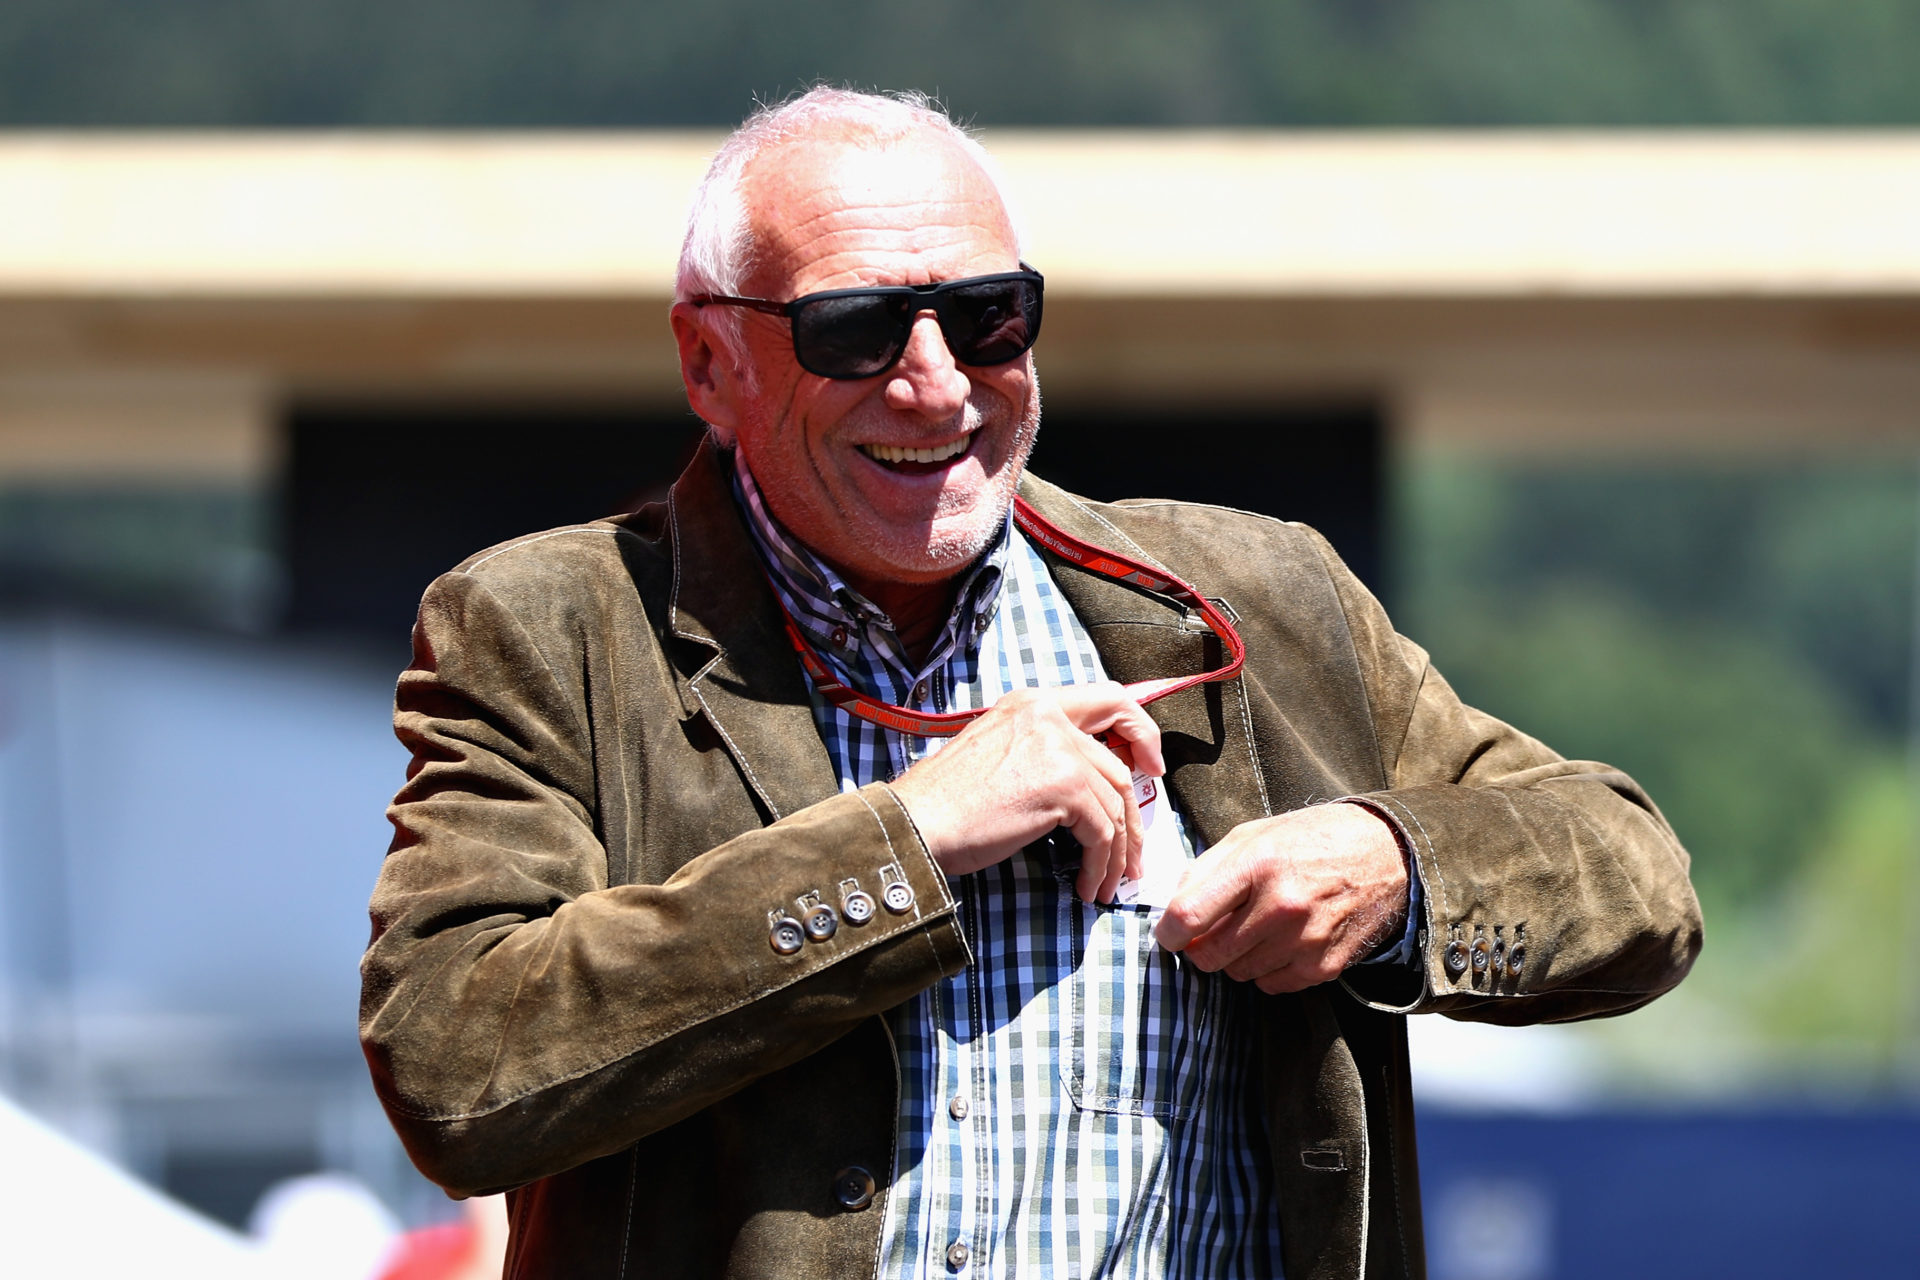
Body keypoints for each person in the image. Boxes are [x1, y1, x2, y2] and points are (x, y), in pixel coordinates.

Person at [360, 88, 1701, 1280]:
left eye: (987, 317)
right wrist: (910, 841)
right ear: (714, 363)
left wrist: (1393, 867)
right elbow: (453, 1064)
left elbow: (1633, 877)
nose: (937, 385)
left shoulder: (1266, 598)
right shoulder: (547, 626)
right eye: (858, 329)